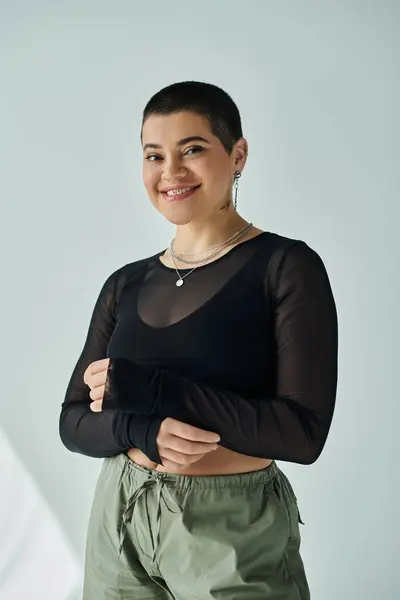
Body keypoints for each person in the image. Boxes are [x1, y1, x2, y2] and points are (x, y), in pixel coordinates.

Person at [59, 80, 338, 600]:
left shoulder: (285, 267)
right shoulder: (126, 283)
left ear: (238, 156)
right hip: (119, 515)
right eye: (154, 155)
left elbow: (303, 434)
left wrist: (153, 390)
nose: (171, 172)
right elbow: (73, 421)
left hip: (229, 527)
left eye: (192, 149)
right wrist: (141, 430)